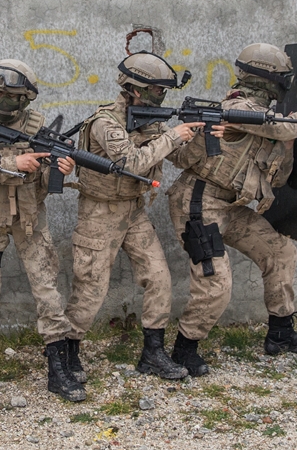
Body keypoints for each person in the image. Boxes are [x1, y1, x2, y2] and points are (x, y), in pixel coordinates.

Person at [165, 43, 297, 376]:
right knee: (216, 281)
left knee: (280, 252)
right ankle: (184, 349)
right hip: (199, 202)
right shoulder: (241, 108)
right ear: (267, 78)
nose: (285, 84)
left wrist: (288, 147)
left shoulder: (265, 122)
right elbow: (281, 125)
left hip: (231, 204)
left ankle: (280, 333)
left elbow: (277, 177)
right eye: (282, 78)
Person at [64, 51, 203, 382]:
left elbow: (180, 158)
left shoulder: (151, 120)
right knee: (91, 286)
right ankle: (66, 353)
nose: (162, 97)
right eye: (157, 90)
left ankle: (152, 353)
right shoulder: (105, 123)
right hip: (99, 212)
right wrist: (173, 136)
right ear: (136, 90)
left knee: (158, 277)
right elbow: (130, 163)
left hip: (133, 211)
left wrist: (200, 139)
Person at [0, 59, 83, 402]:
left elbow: (41, 176)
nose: (0, 99)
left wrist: (59, 168)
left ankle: (57, 366)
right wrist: (13, 164)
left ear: (25, 99)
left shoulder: (39, 125)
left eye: (9, 95)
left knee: (48, 291)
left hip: (29, 216)